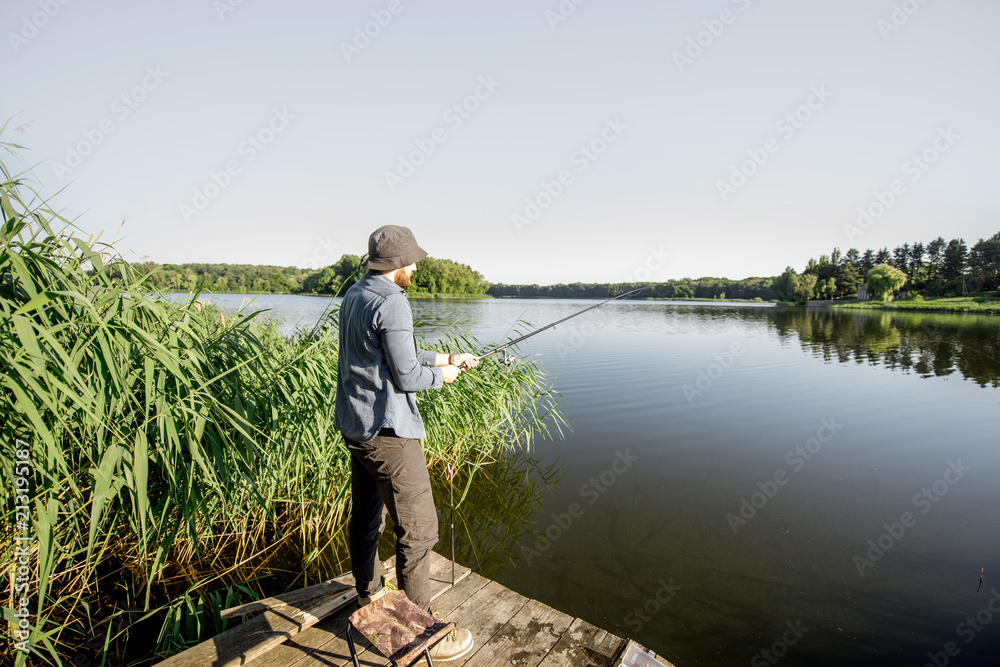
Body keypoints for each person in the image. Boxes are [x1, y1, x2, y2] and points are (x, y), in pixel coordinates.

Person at [335, 225, 477, 661]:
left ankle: (369, 596)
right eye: (411, 261)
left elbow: (394, 354)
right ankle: (422, 634)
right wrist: (443, 377)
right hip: (390, 435)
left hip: (356, 428)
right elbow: (408, 376)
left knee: (366, 520)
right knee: (419, 532)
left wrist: (447, 357)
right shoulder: (393, 302)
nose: (414, 267)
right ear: (396, 265)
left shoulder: (356, 294)